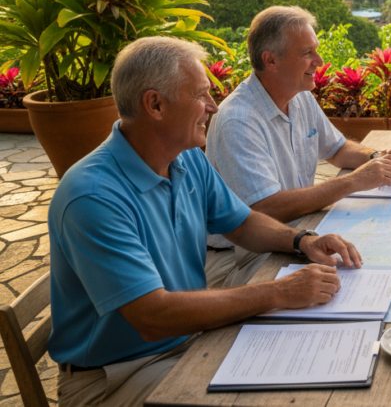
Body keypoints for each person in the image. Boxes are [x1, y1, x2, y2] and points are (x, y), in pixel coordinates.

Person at [49, 37, 361, 407]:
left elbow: (242, 224)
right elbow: (153, 316)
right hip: (120, 373)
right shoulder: (94, 196)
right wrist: (278, 292)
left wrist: (301, 240)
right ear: (155, 104)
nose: (213, 106)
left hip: (188, 339)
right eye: (200, 95)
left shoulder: (187, 158)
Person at [205, 6, 391, 289]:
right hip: (241, 256)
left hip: (297, 232)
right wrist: (354, 181)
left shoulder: (299, 95)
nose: (319, 60)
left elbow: (337, 149)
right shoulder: (238, 121)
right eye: (307, 53)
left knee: (387, 251)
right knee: (351, 282)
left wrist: (376, 157)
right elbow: (266, 209)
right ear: (271, 60)